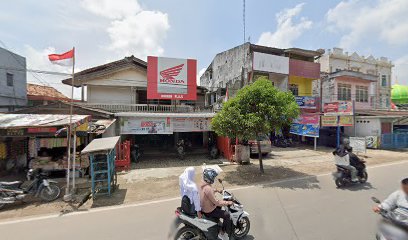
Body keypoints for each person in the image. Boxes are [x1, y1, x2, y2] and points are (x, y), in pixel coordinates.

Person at [199, 168, 233, 240]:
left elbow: (209, 192)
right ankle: (222, 232)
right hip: (209, 211)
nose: (214, 179)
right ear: (210, 178)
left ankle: (216, 222)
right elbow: (217, 202)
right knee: (227, 215)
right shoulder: (208, 188)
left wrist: (217, 190)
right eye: (213, 177)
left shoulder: (203, 184)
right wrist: (228, 203)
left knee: (219, 208)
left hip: (204, 207)